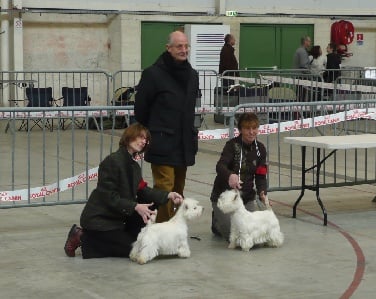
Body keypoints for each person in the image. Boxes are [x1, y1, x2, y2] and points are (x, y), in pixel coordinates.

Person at [63, 123, 184, 259]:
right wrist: (135, 206)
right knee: (134, 249)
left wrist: (168, 194)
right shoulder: (112, 162)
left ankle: (116, 237)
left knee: (148, 209)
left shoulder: (133, 166)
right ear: (129, 137)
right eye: (140, 137)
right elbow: (109, 197)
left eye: (146, 139)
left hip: (118, 217)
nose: (144, 141)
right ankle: (81, 236)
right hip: (99, 220)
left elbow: (143, 190)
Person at [134, 30, 199, 223]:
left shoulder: (193, 75)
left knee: (178, 189)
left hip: (184, 142)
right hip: (162, 142)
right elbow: (141, 110)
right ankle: (161, 232)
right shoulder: (153, 74)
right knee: (165, 188)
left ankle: (175, 231)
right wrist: (155, 131)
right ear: (168, 48)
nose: (183, 50)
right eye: (179, 46)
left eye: (186, 46)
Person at [210, 112, 269, 240]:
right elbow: (220, 166)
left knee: (252, 233)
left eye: (254, 128)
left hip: (246, 198)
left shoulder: (261, 149)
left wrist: (262, 191)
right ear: (241, 130)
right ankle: (217, 220)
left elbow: (261, 175)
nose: (252, 132)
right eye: (247, 128)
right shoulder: (231, 146)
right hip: (225, 197)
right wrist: (230, 175)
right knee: (234, 236)